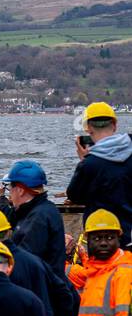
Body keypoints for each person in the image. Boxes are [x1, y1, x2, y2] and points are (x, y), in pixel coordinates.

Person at [67, 102, 132, 247]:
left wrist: (83, 161)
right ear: (114, 125)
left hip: (103, 237)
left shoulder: (90, 164)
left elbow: (74, 195)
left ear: (89, 128)